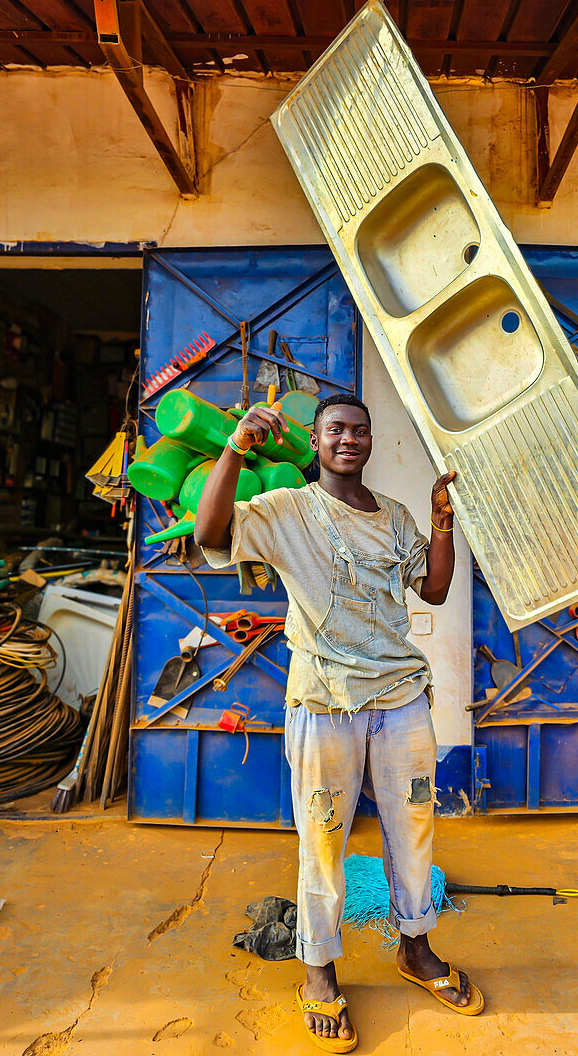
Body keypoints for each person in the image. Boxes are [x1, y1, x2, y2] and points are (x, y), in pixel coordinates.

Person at [195, 393, 484, 1052]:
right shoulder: (287, 510)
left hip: (401, 701)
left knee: (412, 832)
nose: (347, 439)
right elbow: (211, 534)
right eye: (335, 429)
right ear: (317, 440)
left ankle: (415, 948)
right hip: (325, 703)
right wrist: (235, 447)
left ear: (369, 440)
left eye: (358, 429)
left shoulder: (394, 517)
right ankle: (319, 971)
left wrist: (443, 522)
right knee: (321, 841)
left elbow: (433, 590)